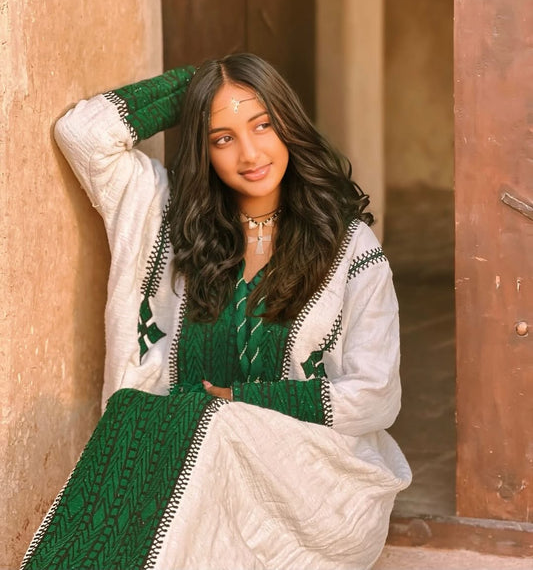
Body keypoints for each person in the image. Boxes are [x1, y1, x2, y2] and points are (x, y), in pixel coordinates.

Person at [21, 53, 411, 570]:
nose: (249, 153)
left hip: (314, 487)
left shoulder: (348, 246)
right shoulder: (164, 215)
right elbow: (83, 134)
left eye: (263, 125)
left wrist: (241, 401)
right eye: (222, 137)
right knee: (137, 415)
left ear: (288, 123)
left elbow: (376, 395)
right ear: (203, 149)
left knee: (212, 423)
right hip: (181, 471)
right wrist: (201, 83)